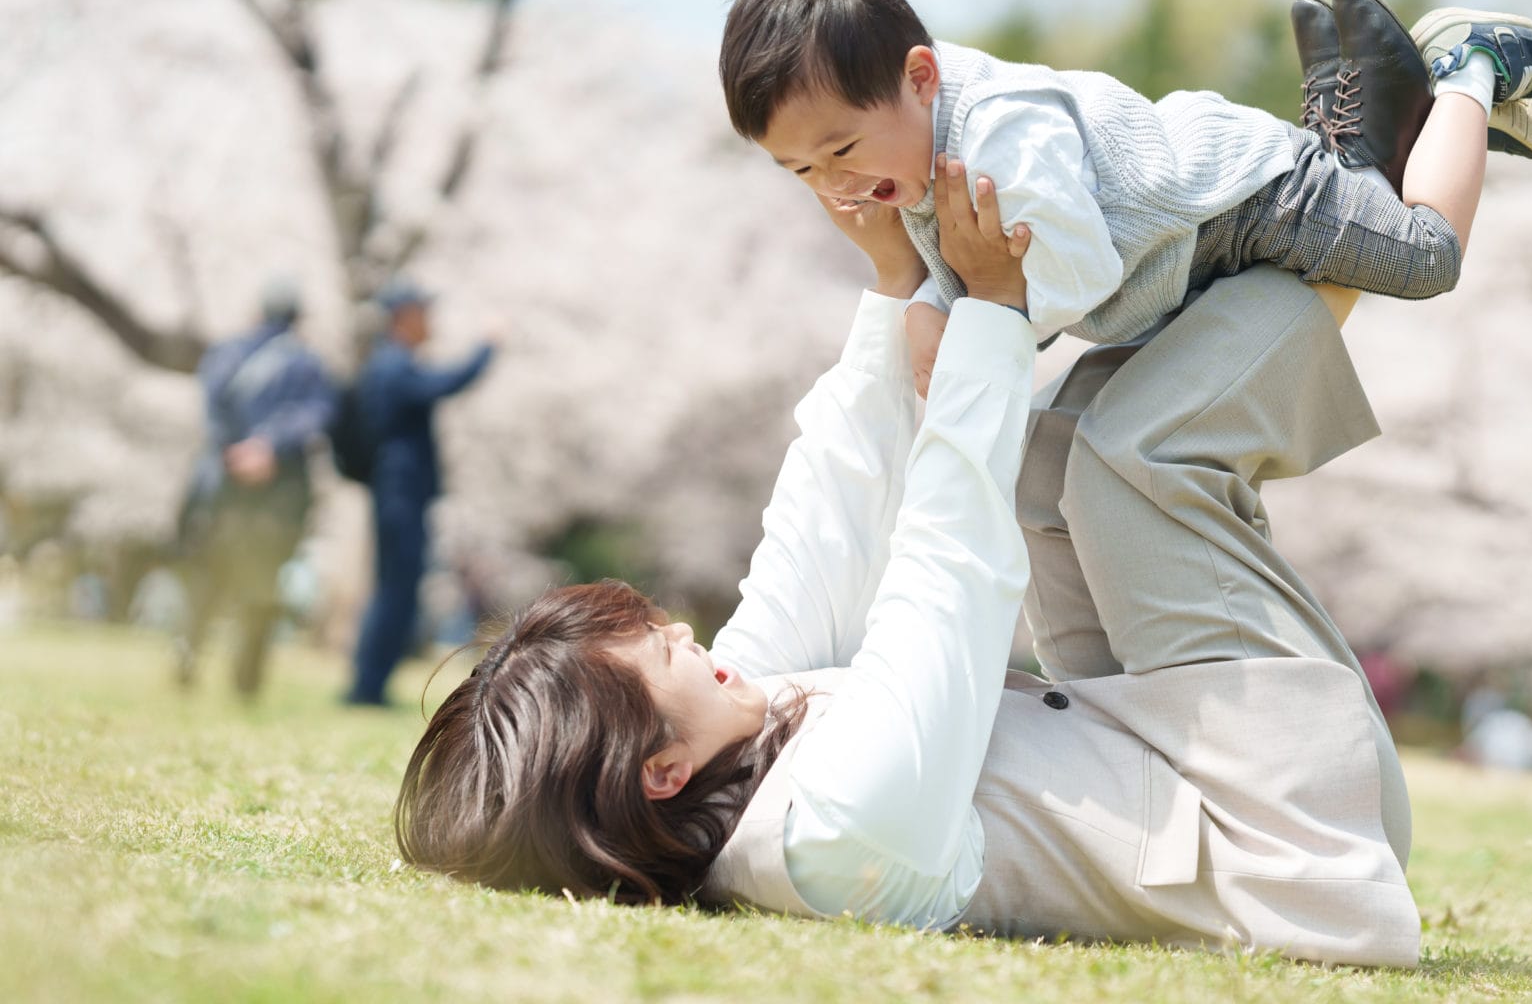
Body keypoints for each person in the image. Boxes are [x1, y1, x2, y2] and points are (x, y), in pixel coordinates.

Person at [396, 157, 1422, 964]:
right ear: (659, 771)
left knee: (1056, 451)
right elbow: (946, 575)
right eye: (662, 653)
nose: (683, 630)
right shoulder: (834, 832)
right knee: (1137, 455)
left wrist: (896, 278)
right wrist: (992, 311)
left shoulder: (728, 749)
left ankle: (1335, 192)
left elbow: (821, 524)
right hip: (1288, 826)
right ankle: (1373, 197)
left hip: (1185, 746)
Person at [720, 0, 1532, 391]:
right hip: (1194, 236)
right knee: (1369, 191)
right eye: (800, 171)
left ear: (919, 78)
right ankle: (1354, 122)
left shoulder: (1000, 138)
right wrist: (932, 303)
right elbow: (976, 269)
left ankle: (1466, 67)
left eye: (839, 151)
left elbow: (1074, 268)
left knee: (1423, 257)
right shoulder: (906, 146)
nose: (833, 185)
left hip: (1254, 200)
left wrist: (962, 322)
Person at [177, 276, 336, 697]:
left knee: (208, 573)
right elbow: (317, 413)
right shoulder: (306, 361)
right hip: (279, 492)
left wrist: (237, 450)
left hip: (223, 483)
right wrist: (268, 446)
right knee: (263, 580)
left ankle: (187, 656)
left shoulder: (226, 352)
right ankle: (246, 679)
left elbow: (213, 409)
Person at [345, 278, 497, 707]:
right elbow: (448, 382)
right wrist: (487, 346)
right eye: (424, 312)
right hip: (400, 495)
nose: (431, 320)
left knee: (395, 588)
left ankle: (370, 685)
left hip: (398, 493)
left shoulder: (390, 362)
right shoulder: (394, 365)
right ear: (404, 317)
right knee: (396, 589)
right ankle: (367, 687)